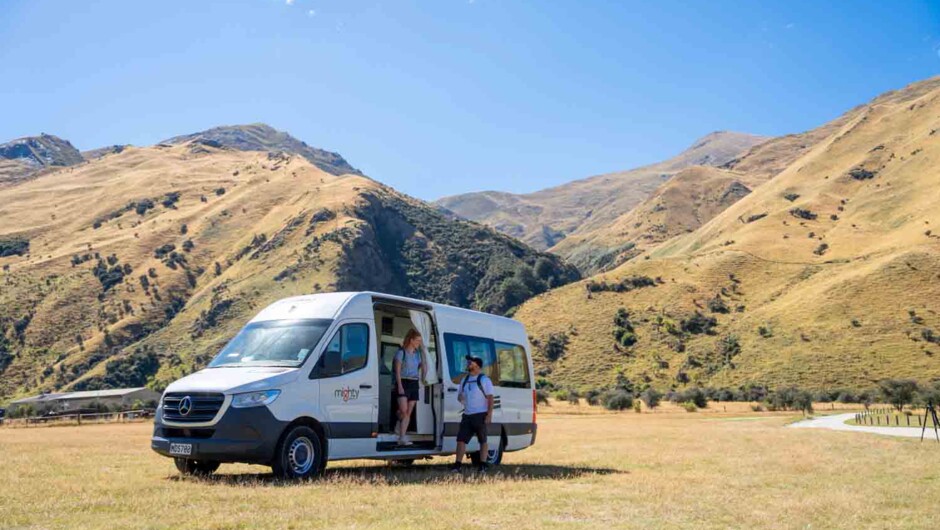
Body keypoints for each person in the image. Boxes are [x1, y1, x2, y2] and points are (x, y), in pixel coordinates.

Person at [451, 355, 494, 473]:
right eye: (468, 362)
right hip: (467, 415)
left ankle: (483, 464)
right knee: (461, 440)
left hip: (480, 415)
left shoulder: (484, 380)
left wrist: (489, 415)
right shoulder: (464, 380)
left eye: (471, 362)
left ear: (477, 366)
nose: (468, 364)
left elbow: (490, 398)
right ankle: (457, 464)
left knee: (482, 440)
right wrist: (461, 398)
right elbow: (460, 396)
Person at [393, 329, 425, 445]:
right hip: (403, 382)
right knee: (403, 411)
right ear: (411, 340)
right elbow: (397, 372)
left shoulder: (417, 355)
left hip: (414, 383)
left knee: (408, 412)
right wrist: (400, 386)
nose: (419, 343)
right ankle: (399, 425)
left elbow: (422, 367)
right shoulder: (401, 353)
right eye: (417, 340)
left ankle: (402, 437)